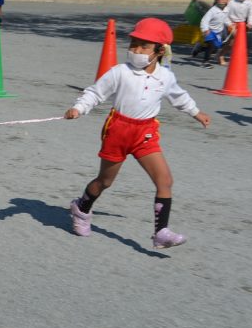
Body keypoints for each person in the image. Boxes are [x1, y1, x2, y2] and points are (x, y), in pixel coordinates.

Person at [65, 18, 210, 250]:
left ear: (160, 51)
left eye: (144, 46)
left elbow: (179, 97)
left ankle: (161, 232)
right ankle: (81, 208)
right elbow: (95, 93)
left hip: (146, 132)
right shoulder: (120, 72)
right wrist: (79, 108)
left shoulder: (165, 77)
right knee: (105, 181)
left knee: (165, 181)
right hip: (119, 129)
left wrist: (196, 112)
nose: (136, 50)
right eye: (134, 44)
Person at [192, 0, 231, 68]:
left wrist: (230, 24)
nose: (225, 1)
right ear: (217, 0)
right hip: (210, 31)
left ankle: (199, 48)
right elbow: (204, 21)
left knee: (215, 48)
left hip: (218, 32)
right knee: (211, 46)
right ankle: (205, 62)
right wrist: (205, 30)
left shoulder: (226, 10)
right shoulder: (213, 11)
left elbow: (225, 19)